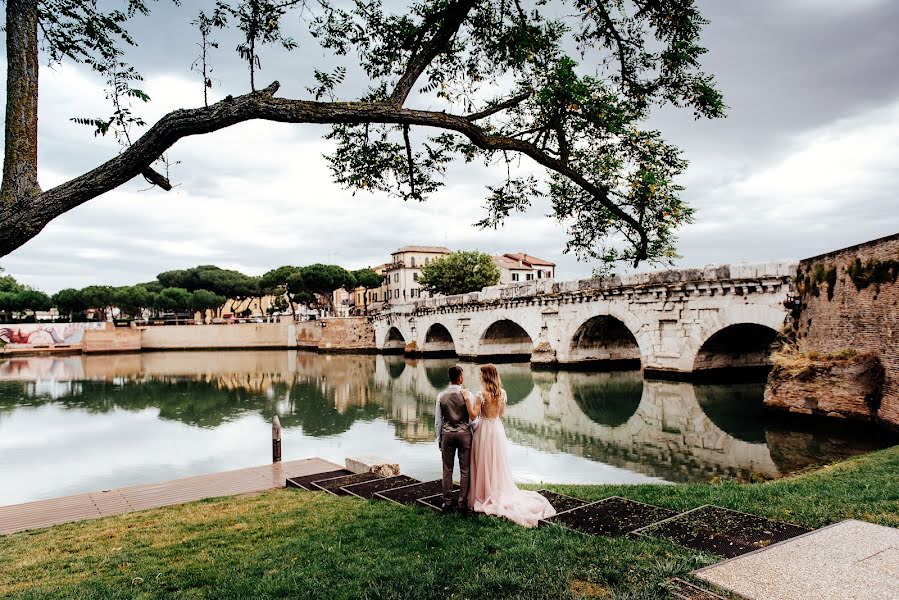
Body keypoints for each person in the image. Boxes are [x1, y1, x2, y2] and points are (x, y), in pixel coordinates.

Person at [466, 364, 556, 527]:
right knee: (497, 462)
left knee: (483, 460)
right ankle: (496, 488)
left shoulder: (480, 394)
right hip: (497, 428)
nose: (479, 377)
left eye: (481, 375)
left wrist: (466, 398)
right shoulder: (502, 393)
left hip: (485, 429)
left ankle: (484, 492)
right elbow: (501, 414)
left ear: (485, 376)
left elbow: (473, 415)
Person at [435, 364, 477, 511]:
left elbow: (438, 421)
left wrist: (439, 438)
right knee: (465, 470)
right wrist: (474, 432)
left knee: (447, 469)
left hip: (447, 435)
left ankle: (447, 502)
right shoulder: (468, 396)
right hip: (464, 435)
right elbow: (473, 421)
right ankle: (462, 503)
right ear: (460, 378)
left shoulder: (441, 396)